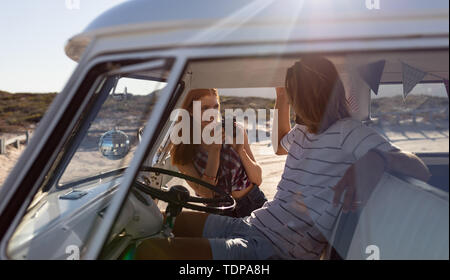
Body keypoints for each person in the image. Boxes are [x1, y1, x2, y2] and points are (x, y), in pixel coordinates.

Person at [135, 56, 430, 260]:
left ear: (314, 94)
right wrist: (281, 99)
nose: (294, 100)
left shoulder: (348, 132)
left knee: (151, 251)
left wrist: (371, 161)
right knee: (160, 220)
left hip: (275, 249)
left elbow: (418, 167)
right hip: (254, 223)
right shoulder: (305, 132)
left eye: (294, 94)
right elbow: (278, 144)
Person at [169, 88, 267, 218]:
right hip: (220, 213)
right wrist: (214, 152)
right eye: (204, 108)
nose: (211, 113)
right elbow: (206, 194)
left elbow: (257, 179)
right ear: (190, 111)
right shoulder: (183, 150)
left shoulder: (234, 130)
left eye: (215, 107)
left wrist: (240, 151)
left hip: (253, 202)